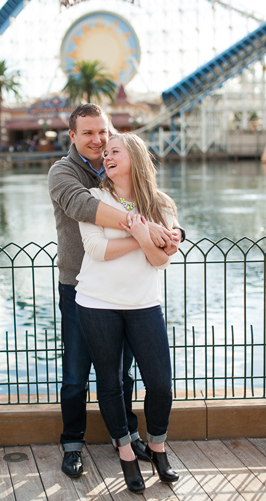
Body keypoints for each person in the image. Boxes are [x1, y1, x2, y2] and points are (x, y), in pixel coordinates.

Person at [47, 103, 183, 478]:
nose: (99, 141)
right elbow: (81, 207)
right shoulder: (64, 172)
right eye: (88, 133)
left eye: (104, 133)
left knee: (122, 375)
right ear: (73, 136)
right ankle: (72, 443)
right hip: (80, 286)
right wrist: (143, 228)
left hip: (134, 296)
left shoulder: (134, 182)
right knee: (77, 373)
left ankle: (125, 438)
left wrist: (170, 231)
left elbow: (165, 228)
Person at [75, 132, 180, 492]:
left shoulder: (161, 204)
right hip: (96, 304)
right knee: (111, 383)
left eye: (114, 151)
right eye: (105, 153)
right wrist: (142, 234)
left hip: (143, 304)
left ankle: (157, 447)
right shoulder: (93, 198)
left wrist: (151, 238)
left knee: (161, 384)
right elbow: (96, 249)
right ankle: (125, 453)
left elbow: (160, 261)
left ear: (134, 156)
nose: (107, 156)